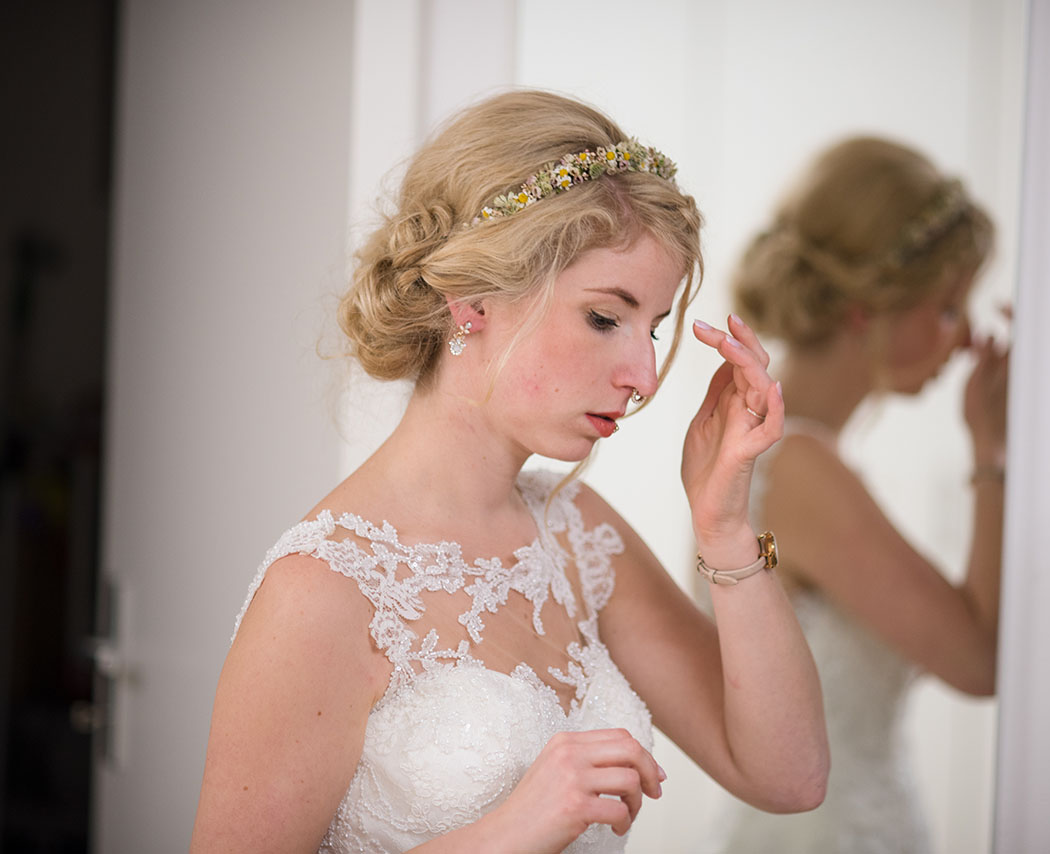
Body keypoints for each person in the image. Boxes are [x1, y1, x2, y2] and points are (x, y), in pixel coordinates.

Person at [189, 89, 828, 853]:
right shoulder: (322, 590)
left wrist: (723, 526)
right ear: (472, 301)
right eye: (604, 317)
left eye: (653, 329)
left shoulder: (580, 536)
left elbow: (790, 778)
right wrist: (513, 830)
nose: (644, 376)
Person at [709, 136, 1008, 853]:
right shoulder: (803, 469)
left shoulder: (784, 446)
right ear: (866, 310)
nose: (967, 337)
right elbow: (979, 660)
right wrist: (993, 453)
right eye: (946, 307)